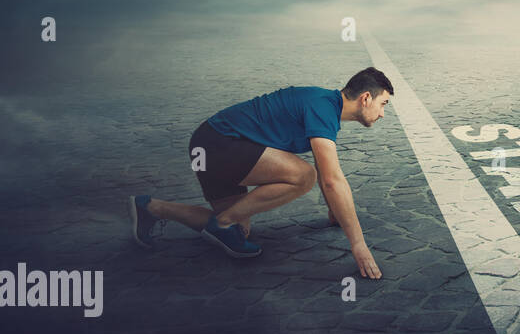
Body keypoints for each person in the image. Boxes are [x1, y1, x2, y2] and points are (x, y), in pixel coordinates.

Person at [128, 67, 394, 279]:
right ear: (365, 98)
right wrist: (358, 244)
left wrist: (335, 213)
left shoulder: (323, 105)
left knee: (238, 229)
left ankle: (152, 208)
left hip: (209, 143)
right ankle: (223, 223)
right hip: (220, 143)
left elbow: (328, 170)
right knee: (303, 176)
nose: (382, 114)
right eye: (383, 104)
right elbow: (331, 179)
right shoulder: (323, 107)